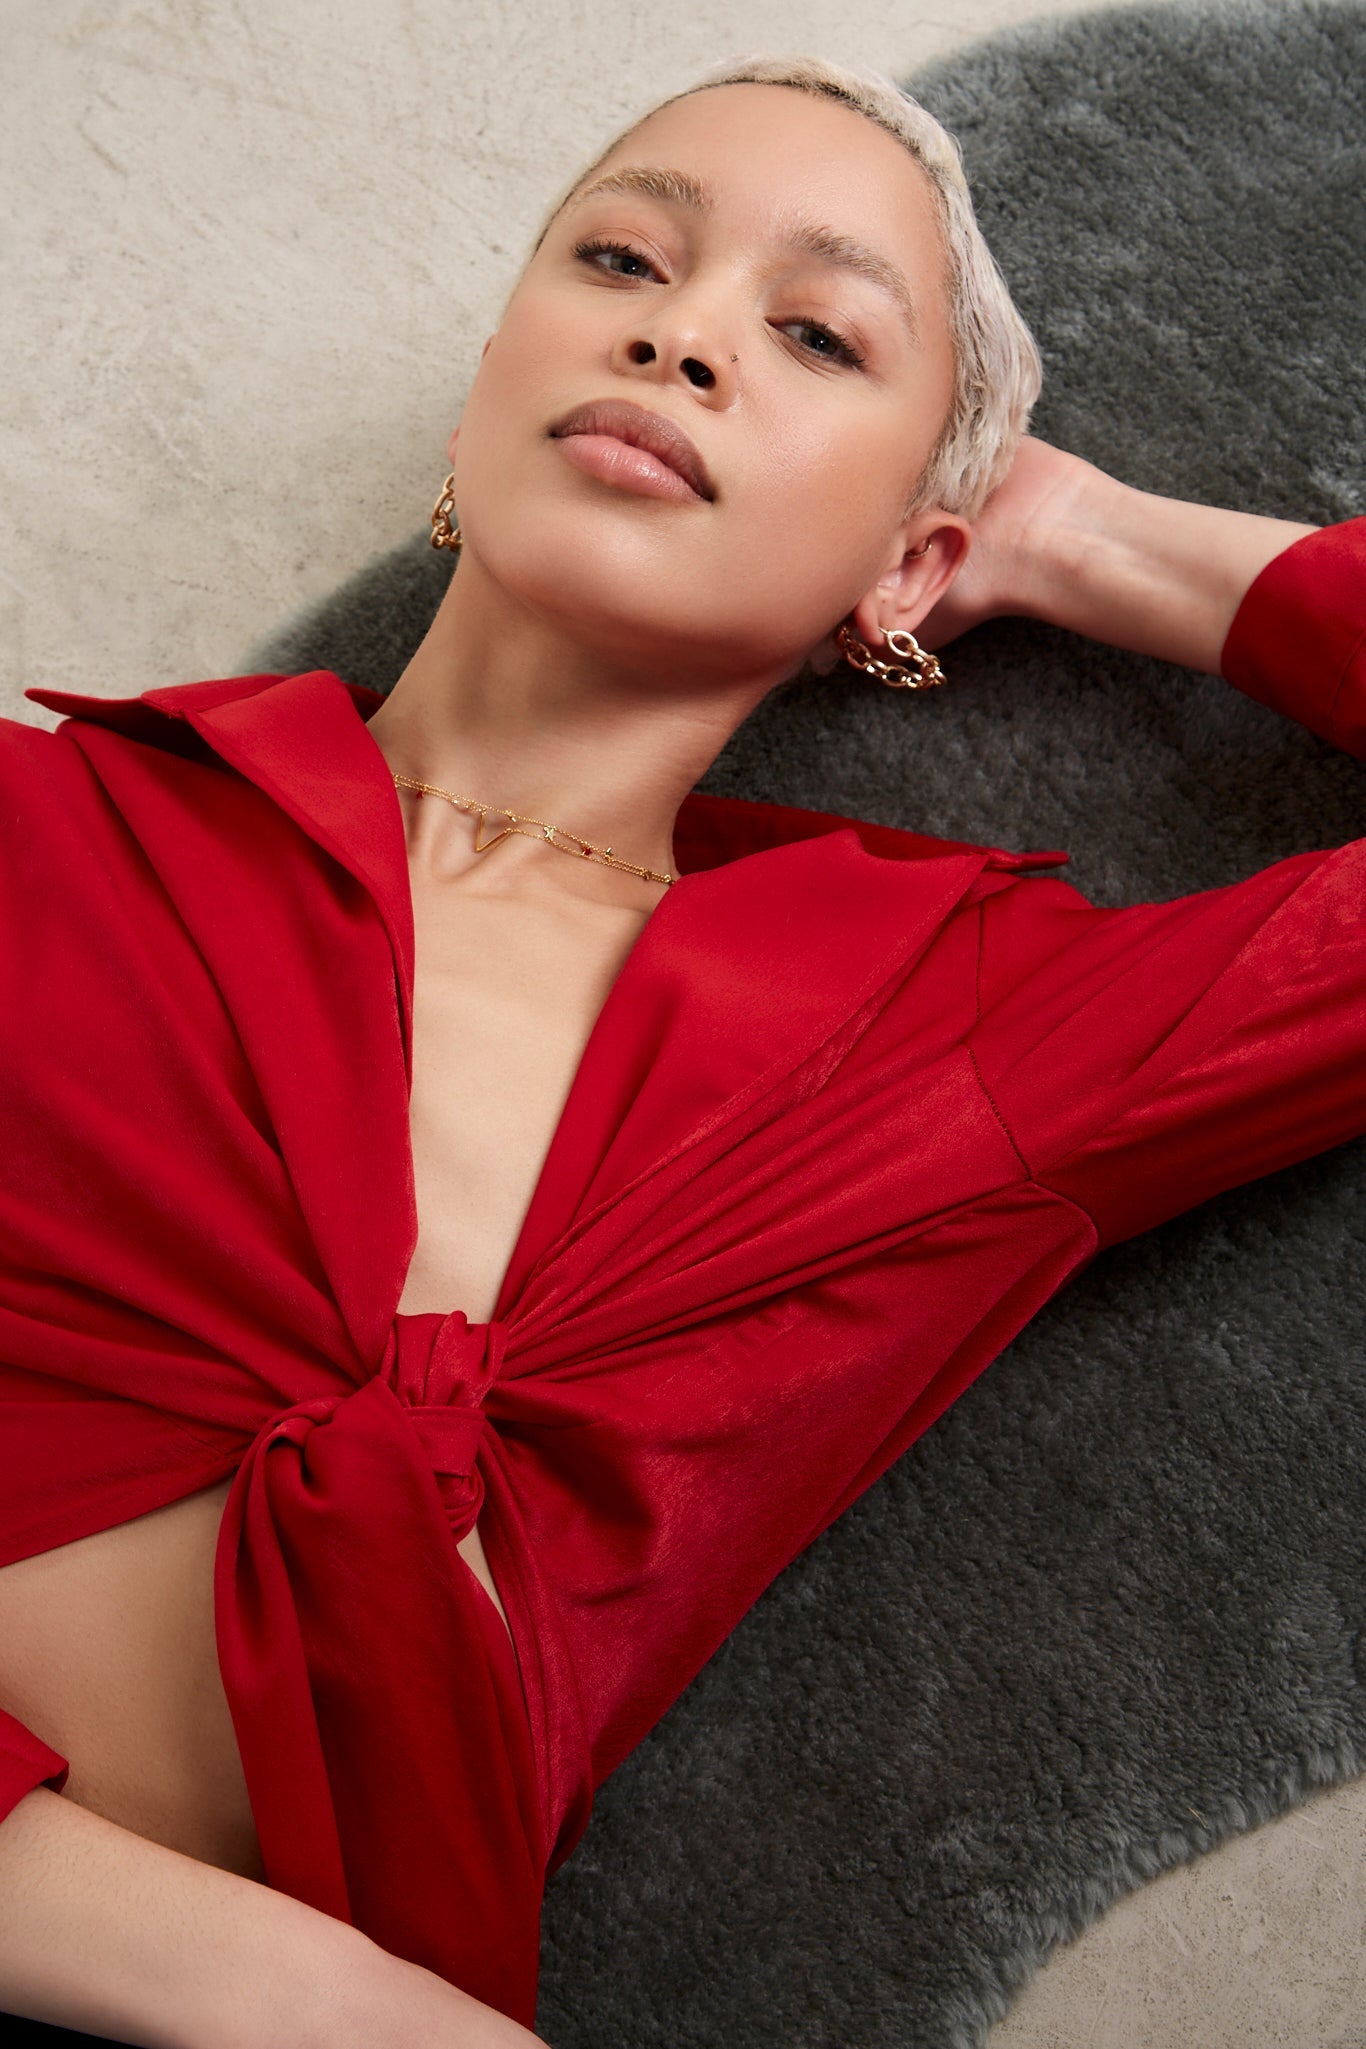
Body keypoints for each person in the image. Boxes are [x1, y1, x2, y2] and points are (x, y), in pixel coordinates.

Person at [0, 50, 1360, 2049]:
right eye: (623, 261)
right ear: (485, 395)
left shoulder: (950, 1032)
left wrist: (1096, 543)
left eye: (816, 333)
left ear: (912, 566)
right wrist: (267, 1977)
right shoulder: (39, 829)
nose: (680, 333)